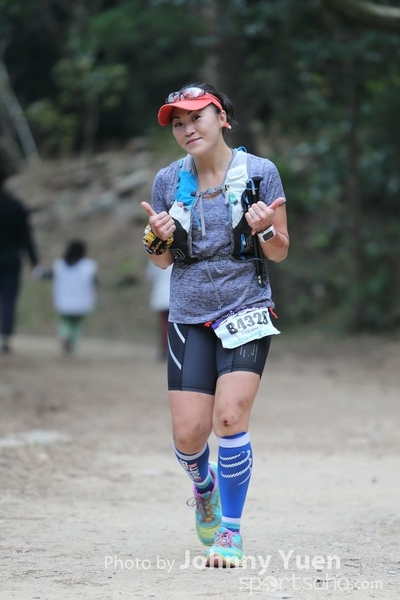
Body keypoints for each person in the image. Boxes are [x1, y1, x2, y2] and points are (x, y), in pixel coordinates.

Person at [141, 83, 289, 567]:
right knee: (189, 434)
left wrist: (265, 227)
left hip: (246, 307)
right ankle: (204, 488)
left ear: (222, 118)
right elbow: (162, 261)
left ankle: (231, 531)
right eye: (178, 123)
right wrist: (156, 237)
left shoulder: (260, 173)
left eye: (196, 117)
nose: (187, 129)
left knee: (229, 418)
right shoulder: (168, 181)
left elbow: (279, 250)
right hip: (188, 313)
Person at [0, 164, 40, 354]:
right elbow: (26, 237)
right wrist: (34, 261)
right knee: (8, 298)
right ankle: (5, 337)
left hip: (9, 257)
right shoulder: (15, 205)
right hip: (11, 257)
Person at [50, 239, 98, 355]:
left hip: (63, 300)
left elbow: (52, 277)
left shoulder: (59, 264)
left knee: (65, 321)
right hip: (82, 301)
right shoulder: (88, 266)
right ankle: (72, 345)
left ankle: (64, 334)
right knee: (77, 324)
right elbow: (94, 282)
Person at [146, 260, 172, 360]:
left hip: (162, 293)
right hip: (173, 295)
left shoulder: (156, 255)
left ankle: (165, 349)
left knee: (164, 324)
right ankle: (167, 349)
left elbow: (151, 274)